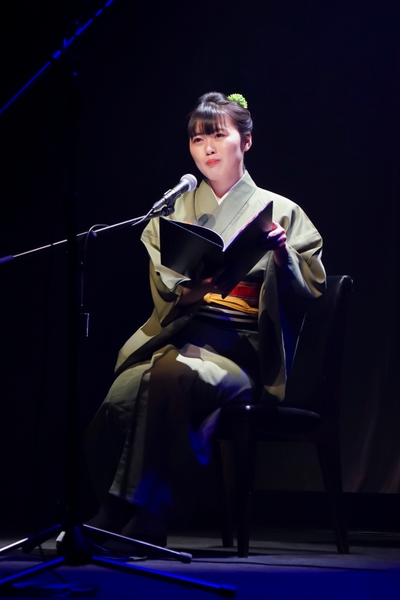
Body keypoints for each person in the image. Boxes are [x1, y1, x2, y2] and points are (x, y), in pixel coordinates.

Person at [85, 92, 326, 546]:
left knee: (168, 375)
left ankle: (135, 512)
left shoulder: (282, 210)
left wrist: (281, 254)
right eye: (197, 138)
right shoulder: (174, 211)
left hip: (242, 349)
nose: (207, 147)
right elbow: (166, 286)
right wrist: (198, 287)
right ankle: (126, 510)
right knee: (123, 392)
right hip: (183, 334)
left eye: (218, 135)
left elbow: (310, 287)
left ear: (246, 142)